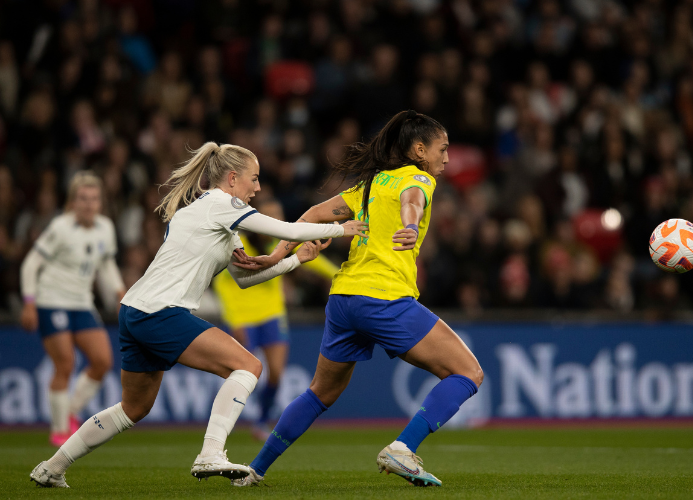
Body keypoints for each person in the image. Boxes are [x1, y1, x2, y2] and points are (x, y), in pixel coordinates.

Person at [29, 142, 367, 488]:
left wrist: (297, 260)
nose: (258, 187)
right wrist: (342, 229)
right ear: (233, 178)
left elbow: (246, 278)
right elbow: (289, 230)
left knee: (133, 407)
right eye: (254, 178)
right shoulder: (223, 205)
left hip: (136, 309)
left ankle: (51, 467)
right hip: (161, 311)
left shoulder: (211, 215)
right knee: (248, 366)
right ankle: (210, 453)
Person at [232, 110, 483, 488]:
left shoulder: (371, 184)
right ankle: (403, 447)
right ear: (419, 150)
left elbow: (314, 214)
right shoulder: (419, 177)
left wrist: (276, 254)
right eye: (442, 149)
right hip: (383, 298)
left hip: (344, 297)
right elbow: (412, 200)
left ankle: (255, 470)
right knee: (468, 372)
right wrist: (411, 225)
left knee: (321, 391)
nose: (446, 158)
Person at [212, 197, 338, 441]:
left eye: (278, 216)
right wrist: (234, 318)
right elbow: (222, 284)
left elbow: (313, 258)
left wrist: (337, 274)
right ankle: (222, 422)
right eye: (270, 217)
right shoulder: (238, 245)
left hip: (272, 314)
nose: (276, 221)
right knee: (244, 373)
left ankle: (260, 422)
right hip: (243, 317)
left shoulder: (280, 243)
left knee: (277, 374)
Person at [20, 171, 125, 447]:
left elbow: (105, 265)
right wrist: (29, 302)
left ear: (100, 202)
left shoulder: (105, 227)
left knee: (103, 361)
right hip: (51, 300)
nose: (89, 204)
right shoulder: (61, 227)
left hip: (81, 303)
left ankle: (70, 413)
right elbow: (31, 264)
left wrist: (118, 292)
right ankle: (58, 430)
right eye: (83, 199)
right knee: (64, 364)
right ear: (73, 202)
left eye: (94, 199)